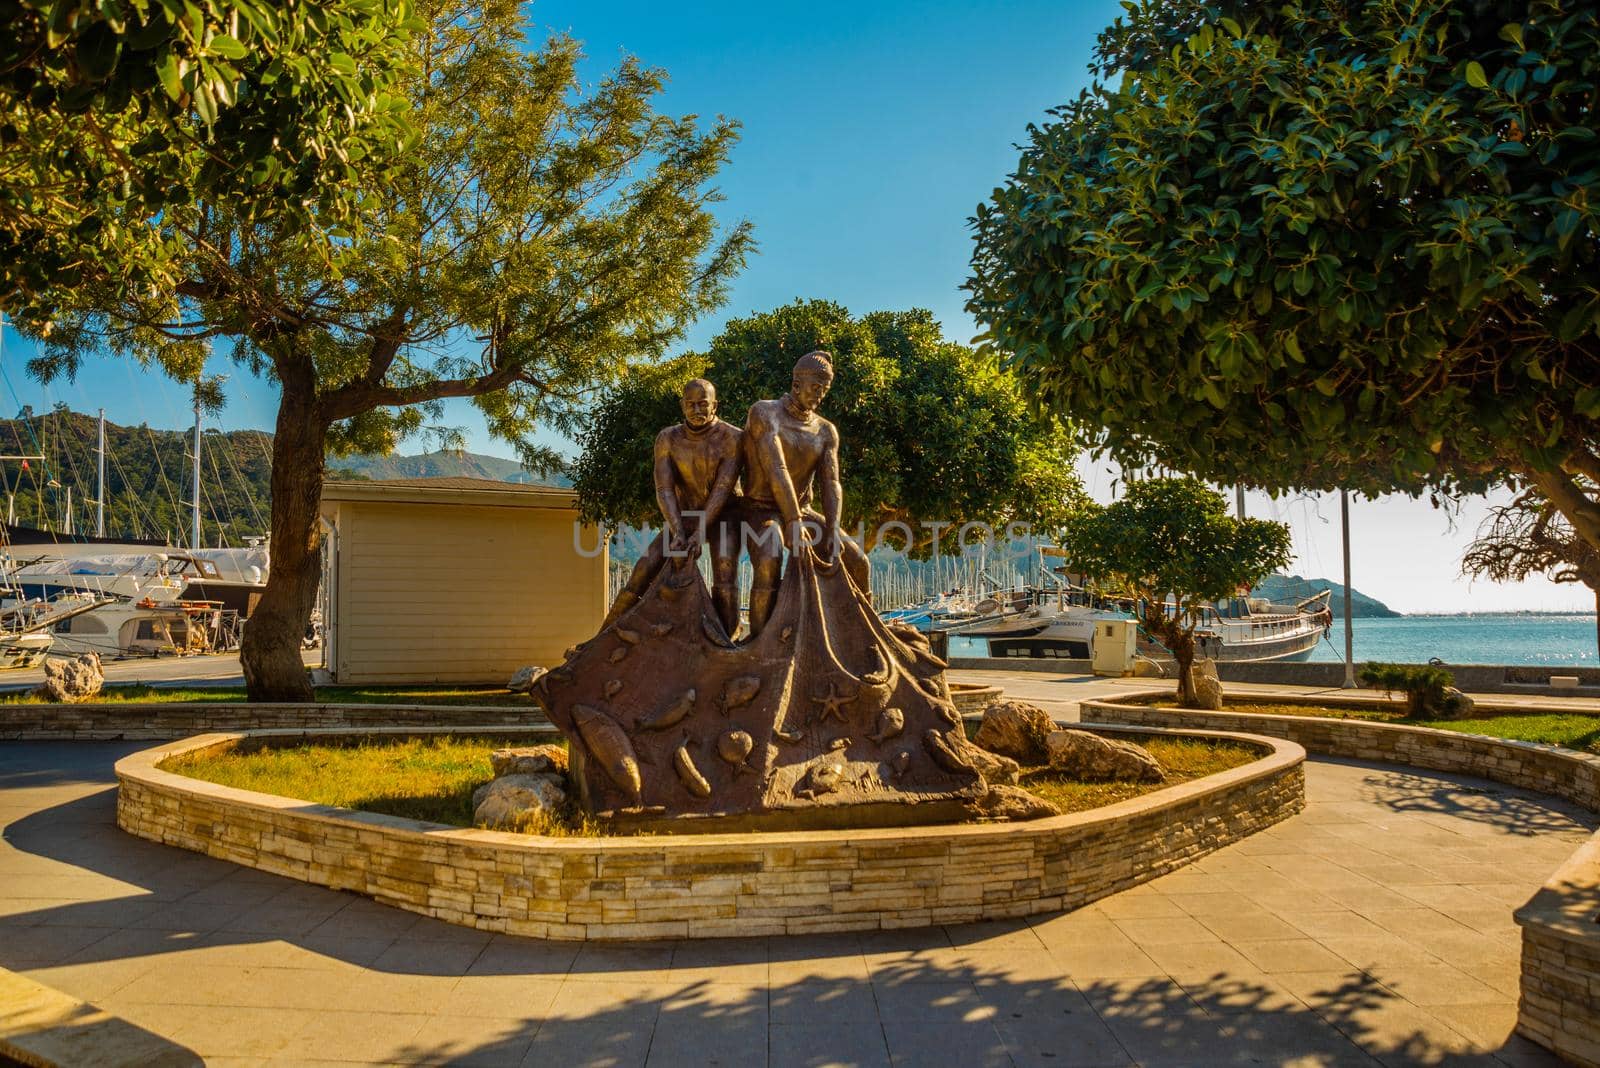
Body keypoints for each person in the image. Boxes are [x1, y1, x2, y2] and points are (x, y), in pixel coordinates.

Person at [735, 350, 870, 636]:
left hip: (802, 512)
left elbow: (831, 482)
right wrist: (793, 522)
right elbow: (777, 468)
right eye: (815, 387)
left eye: (825, 389)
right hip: (761, 509)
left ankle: (862, 638)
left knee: (857, 561)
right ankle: (760, 643)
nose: (820, 394)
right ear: (797, 385)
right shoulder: (764, 412)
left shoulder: (825, 431)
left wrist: (832, 530)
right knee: (770, 557)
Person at [603, 378, 742, 633]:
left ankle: (727, 640)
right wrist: (678, 530)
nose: (697, 410)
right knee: (644, 567)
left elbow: (723, 489)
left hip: (725, 515)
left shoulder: (732, 438)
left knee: (725, 571)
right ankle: (603, 637)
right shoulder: (667, 438)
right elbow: (664, 489)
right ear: (682, 406)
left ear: (715, 406)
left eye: (703, 404)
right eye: (691, 405)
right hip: (685, 516)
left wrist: (700, 533)